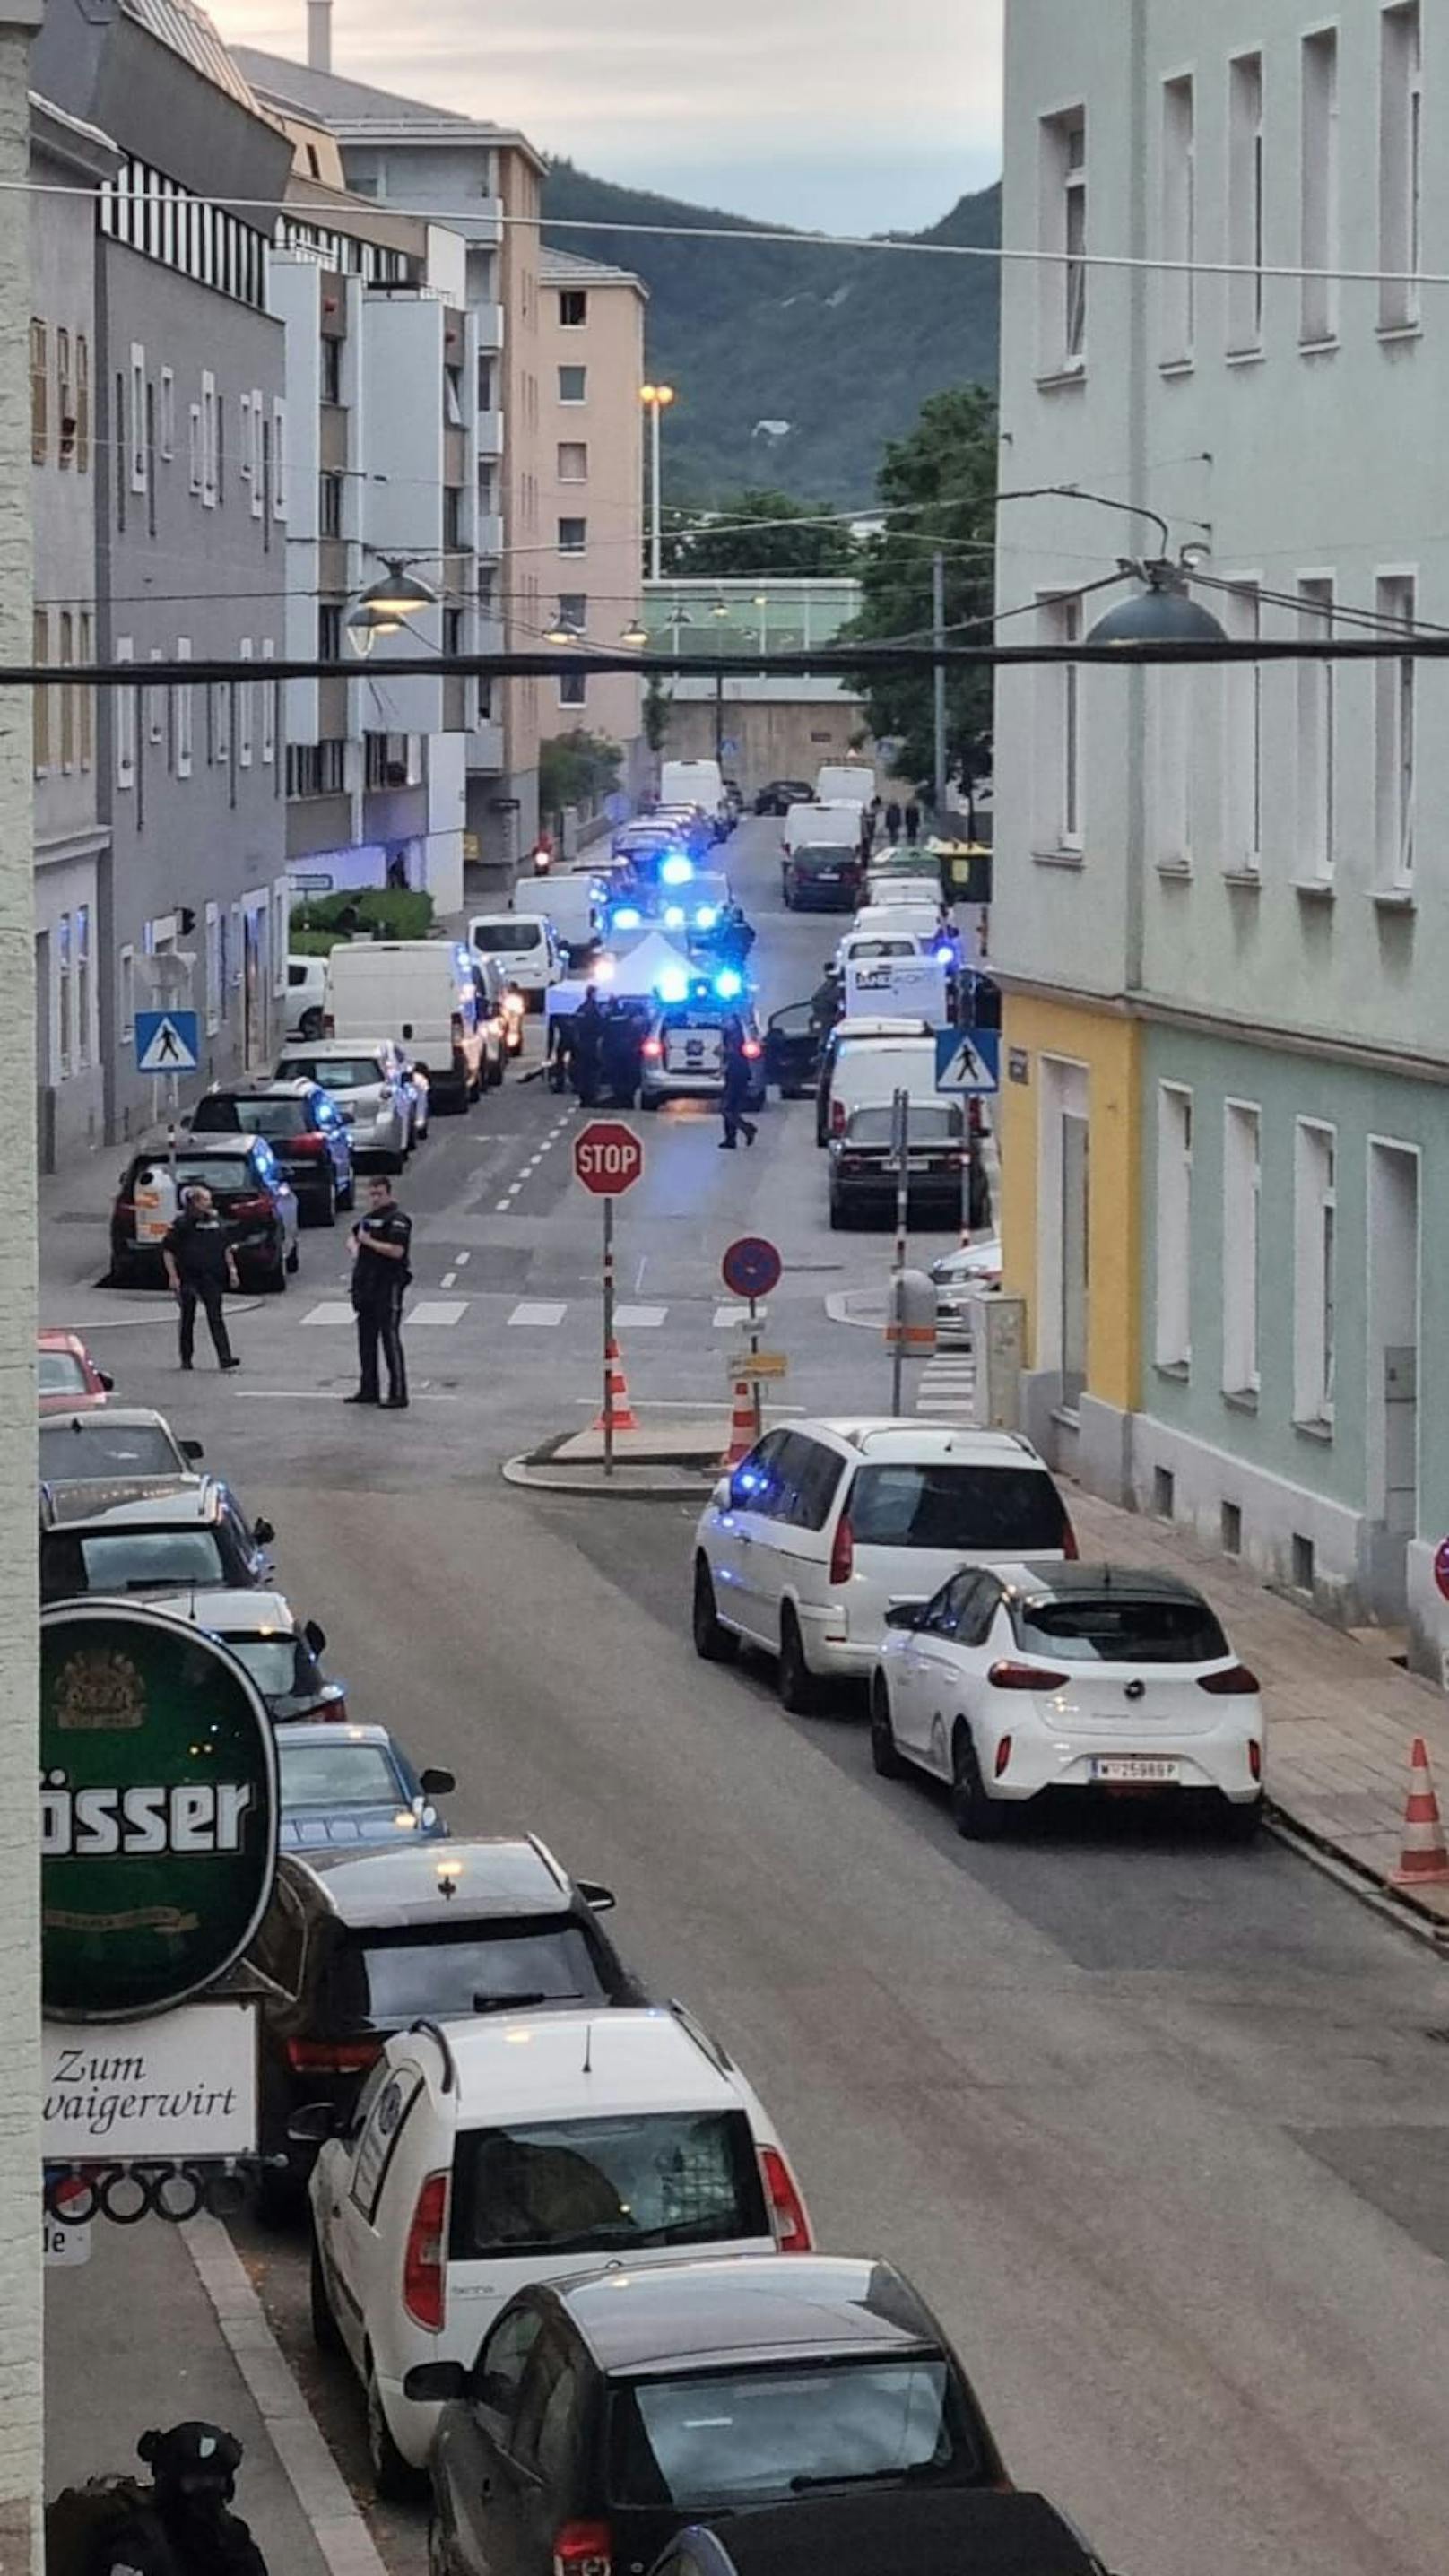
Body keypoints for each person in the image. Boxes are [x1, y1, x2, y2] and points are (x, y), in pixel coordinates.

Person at [46, 2420, 269, 2576]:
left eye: (213, 2483)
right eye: (196, 2483)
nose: (206, 2494)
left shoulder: (233, 2540)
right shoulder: (136, 2540)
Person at [345, 1174, 412, 1409]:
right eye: (371, 1194)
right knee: (366, 1340)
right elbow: (353, 1238)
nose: (374, 1199)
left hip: (388, 1285)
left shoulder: (397, 1220)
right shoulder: (368, 1220)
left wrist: (369, 1242)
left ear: (388, 1194)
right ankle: (368, 1388)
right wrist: (356, 1247)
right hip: (367, 1287)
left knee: (390, 1339)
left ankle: (398, 1392)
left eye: (378, 1194)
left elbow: (397, 1251)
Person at [161, 1185, 240, 1375]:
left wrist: (232, 1270)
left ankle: (225, 1358)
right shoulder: (182, 1224)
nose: (209, 1203)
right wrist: (173, 1276)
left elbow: (226, 1248)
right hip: (188, 1276)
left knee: (216, 1317)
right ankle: (186, 1358)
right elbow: (168, 1250)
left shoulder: (215, 1222)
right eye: (205, 1200)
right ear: (194, 1202)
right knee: (188, 1318)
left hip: (211, 1276)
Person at [718, 1015, 759, 1151]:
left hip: (737, 1074)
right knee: (731, 1108)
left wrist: (723, 1052)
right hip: (735, 1074)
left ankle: (747, 1128)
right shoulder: (730, 1035)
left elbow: (734, 1055)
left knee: (727, 1108)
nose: (725, 1023)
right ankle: (730, 1139)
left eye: (727, 1020)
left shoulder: (735, 1036)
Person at [570, 986, 604, 1107]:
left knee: (583, 1071)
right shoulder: (595, 1008)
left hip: (581, 1044)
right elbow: (601, 1025)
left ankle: (583, 1097)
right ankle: (591, 1097)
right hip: (592, 1044)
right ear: (593, 994)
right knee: (593, 1072)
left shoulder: (581, 1008)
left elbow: (575, 1024)